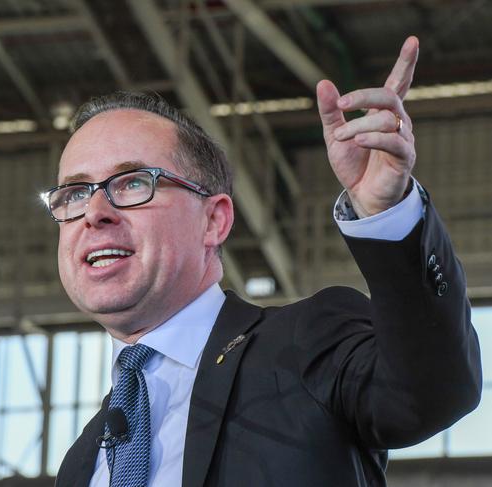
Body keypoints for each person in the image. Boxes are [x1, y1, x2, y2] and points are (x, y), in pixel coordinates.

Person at [50, 36, 482, 487]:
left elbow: (433, 393)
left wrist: (386, 215)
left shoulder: (306, 341)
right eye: (75, 193)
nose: (95, 212)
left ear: (213, 220)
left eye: (133, 183)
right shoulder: (81, 463)